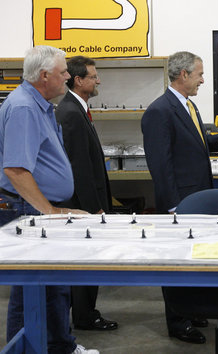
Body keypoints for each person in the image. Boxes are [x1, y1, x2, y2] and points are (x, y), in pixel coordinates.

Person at [0, 46, 96, 354]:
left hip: (38, 207)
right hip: (30, 208)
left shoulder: (38, 104)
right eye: (64, 72)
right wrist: (51, 210)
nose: (69, 77)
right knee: (32, 287)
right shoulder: (24, 108)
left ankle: (59, 346)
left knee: (53, 285)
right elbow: (15, 169)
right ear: (44, 76)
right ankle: (28, 350)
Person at [141, 51, 218, 344]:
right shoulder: (159, 111)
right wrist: (174, 206)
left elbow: (197, 144)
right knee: (176, 261)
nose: (202, 79)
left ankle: (192, 309)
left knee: (194, 257)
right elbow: (160, 164)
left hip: (195, 197)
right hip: (179, 202)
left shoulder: (188, 106)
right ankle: (177, 321)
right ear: (183, 75)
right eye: (199, 74)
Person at [55, 56, 118, 332]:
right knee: (85, 260)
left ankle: (84, 312)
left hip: (89, 204)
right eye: (93, 76)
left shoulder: (77, 109)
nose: (98, 80)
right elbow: (78, 166)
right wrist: (95, 209)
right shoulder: (70, 112)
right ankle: (84, 316)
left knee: (88, 259)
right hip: (84, 207)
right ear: (78, 80)